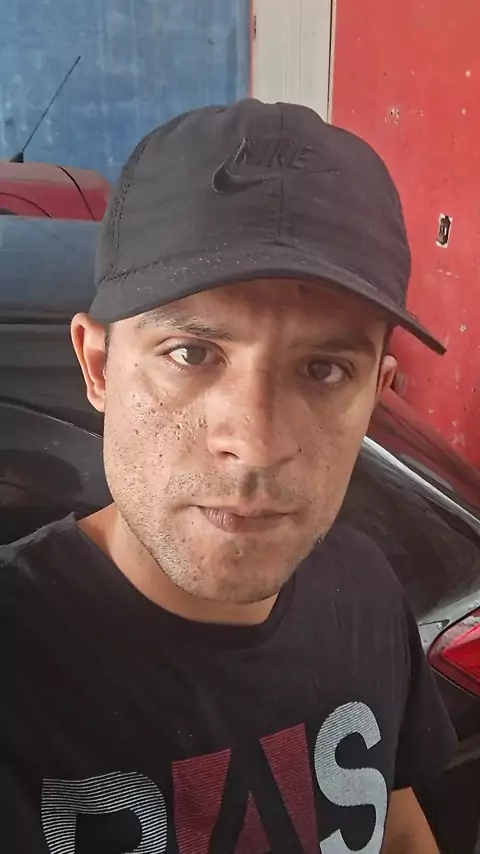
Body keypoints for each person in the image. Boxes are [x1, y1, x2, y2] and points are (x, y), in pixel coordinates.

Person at [1, 99, 456, 853]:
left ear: (375, 396)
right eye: (191, 353)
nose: (256, 444)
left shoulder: (366, 594)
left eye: (323, 369)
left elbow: (399, 825)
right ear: (99, 367)